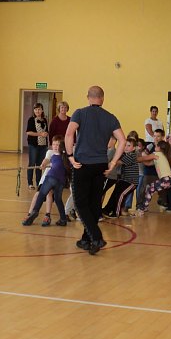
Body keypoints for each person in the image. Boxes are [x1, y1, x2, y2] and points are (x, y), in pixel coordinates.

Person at [65, 85, 126, 255]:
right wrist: (113, 163)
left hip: (83, 164)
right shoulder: (110, 117)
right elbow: (122, 140)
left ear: (88, 97)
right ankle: (86, 240)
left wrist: (70, 156)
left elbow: (69, 134)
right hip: (101, 165)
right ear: (102, 98)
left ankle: (97, 237)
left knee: (80, 203)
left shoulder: (79, 113)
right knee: (93, 203)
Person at [22, 136, 70, 226]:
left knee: (41, 194)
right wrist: (43, 164)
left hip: (51, 177)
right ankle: (63, 219)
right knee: (58, 199)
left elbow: (49, 160)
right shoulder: (65, 156)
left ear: (62, 146)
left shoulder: (55, 156)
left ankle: (35, 211)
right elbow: (46, 160)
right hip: (61, 181)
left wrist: (45, 164)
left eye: (58, 145)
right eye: (54, 144)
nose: (55, 146)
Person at [135, 140, 171, 216]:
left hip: (166, 180)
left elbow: (143, 158)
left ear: (159, 148)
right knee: (150, 189)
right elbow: (148, 163)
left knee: (149, 189)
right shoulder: (161, 156)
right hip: (169, 180)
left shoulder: (156, 154)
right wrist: (140, 159)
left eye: (156, 146)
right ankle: (144, 207)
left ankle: (143, 208)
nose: (154, 147)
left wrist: (133, 158)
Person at [25, 103, 49, 189]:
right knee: (32, 163)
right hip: (34, 145)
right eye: (35, 109)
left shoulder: (45, 120)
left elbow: (46, 131)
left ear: (42, 110)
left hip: (43, 145)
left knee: (40, 164)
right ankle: (30, 183)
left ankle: (39, 182)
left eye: (39, 109)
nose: (37, 111)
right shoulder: (31, 119)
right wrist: (40, 134)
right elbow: (28, 132)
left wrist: (46, 133)